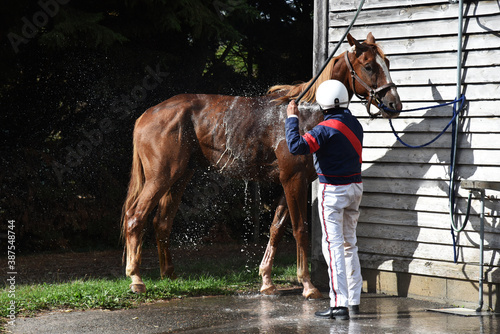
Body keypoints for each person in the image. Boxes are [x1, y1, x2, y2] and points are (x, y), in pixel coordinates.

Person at [285, 80, 363, 320]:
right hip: (355, 188)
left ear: (323, 103)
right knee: (350, 244)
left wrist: (292, 119)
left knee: (333, 247)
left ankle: (339, 304)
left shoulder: (323, 129)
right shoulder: (355, 123)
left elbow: (296, 147)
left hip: (333, 191)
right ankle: (353, 300)